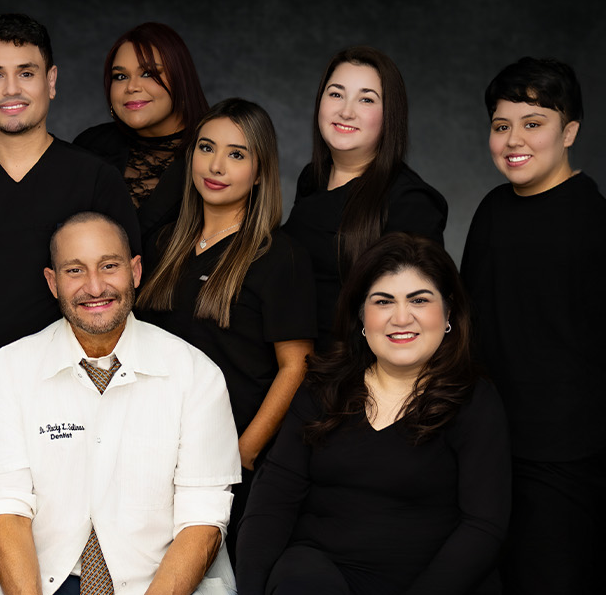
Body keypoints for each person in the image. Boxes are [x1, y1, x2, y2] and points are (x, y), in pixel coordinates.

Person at [0, 13, 142, 591]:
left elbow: (117, 294)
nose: (11, 89)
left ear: (52, 81)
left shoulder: (95, 179)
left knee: (101, 557)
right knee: (1, 563)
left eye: (26, 73)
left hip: (92, 405)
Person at [0, 211, 241, 595]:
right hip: (41, 583)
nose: (95, 287)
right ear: (52, 282)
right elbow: (6, 508)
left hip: (158, 584)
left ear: (135, 271)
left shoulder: (195, 374)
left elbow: (203, 519)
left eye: (109, 266)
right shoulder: (9, 371)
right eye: (74, 271)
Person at [460, 57, 606, 595]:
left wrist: (552, 458)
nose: (514, 140)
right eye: (501, 126)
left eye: (533, 123)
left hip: (567, 470)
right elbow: (468, 328)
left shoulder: (605, 229)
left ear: (569, 131)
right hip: (489, 457)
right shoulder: (493, 211)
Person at [238, 233, 510, 595]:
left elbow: (483, 526)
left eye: (419, 300)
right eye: (383, 301)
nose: (401, 317)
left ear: (448, 312)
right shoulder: (323, 387)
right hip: (318, 575)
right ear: (362, 316)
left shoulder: (474, 400)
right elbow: (273, 498)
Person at [134, 98, 316, 551]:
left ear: (259, 172)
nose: (216, 165)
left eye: (237, 154)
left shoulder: (278, 256)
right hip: (153, 454)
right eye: (206, 147)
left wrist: (244, 452)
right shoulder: (163, 244)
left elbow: (297, 366)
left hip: (227, 462)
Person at [278, 46, 448, 349]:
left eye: (366, 99)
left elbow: (417, 322)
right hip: (295, 362)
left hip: (354, 379)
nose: (346, 110)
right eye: (336, 94)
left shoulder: (410, 202)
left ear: (389, 116)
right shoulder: (312, 179)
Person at [71, 22, 210, 235]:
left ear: (180, 79)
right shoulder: (89, 146)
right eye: (120, 76)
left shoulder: (214, 151)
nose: (132, 87)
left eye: (148, 73)